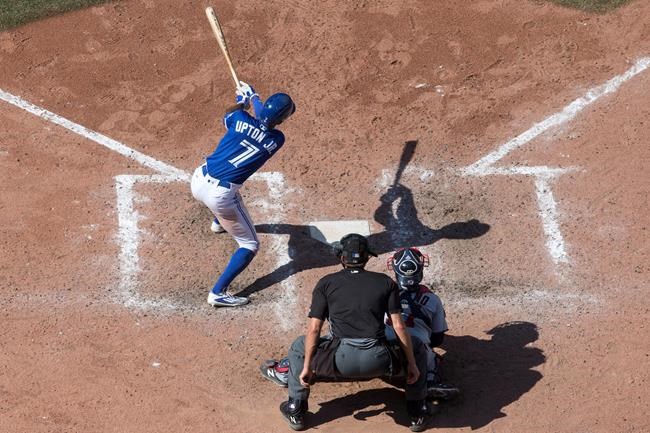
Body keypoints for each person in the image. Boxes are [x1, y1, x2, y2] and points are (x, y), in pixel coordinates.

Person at [262, 233, 432, 432]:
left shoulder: (326, 283)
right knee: (417, 346)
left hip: (338, 362)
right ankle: (417, 410)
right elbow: (399, 326)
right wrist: (412, 364)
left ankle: (296, 407)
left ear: (342, 257)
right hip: (379, 361)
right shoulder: (385, 282)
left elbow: (314, 329)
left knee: (299, 346)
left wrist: (307, 367)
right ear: (368, 257)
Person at [191, 81, 295, 307]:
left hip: (198, 181)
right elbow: (264, 121)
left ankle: (219, 223)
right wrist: (253, 99)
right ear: (283, 119)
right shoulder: (277, 140)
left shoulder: (239, 119)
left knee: (234, 196)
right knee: (249, 245)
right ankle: (218, 292)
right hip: (220, 197)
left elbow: (231, 115)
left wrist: (244, 102)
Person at [385, 247, 460, 400]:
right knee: (432, 357)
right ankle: (431, 382)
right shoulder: (432, 299)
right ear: (419, 269)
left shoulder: (382, 294)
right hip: (417, 351)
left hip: (384, 350)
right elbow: (438, 339)